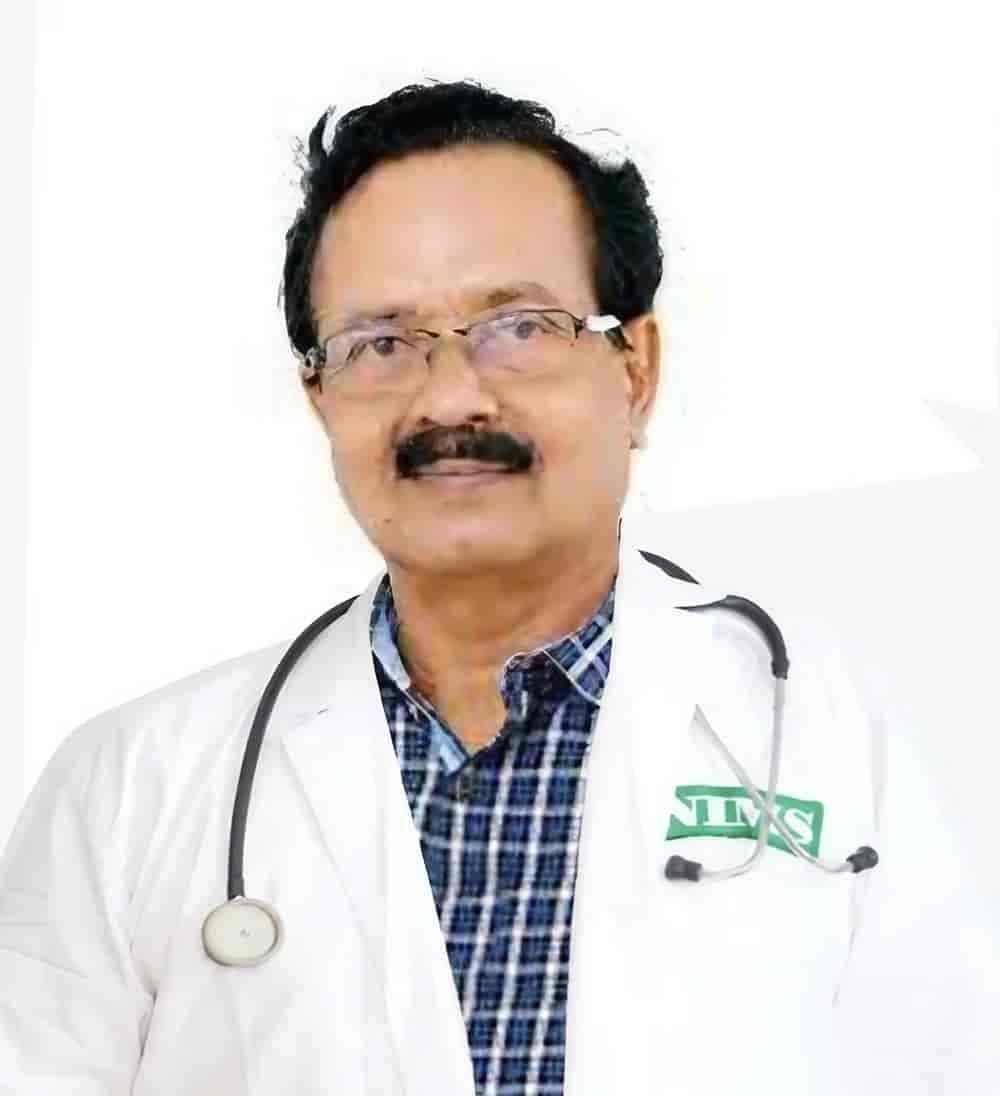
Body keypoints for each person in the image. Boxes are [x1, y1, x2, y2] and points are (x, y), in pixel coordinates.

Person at [1, 79, 997, 1096]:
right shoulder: (134, 784)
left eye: (518, 327)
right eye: (381, 344)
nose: (449, 398)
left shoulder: (835, 727)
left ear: (636, 369)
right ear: (319, 394)